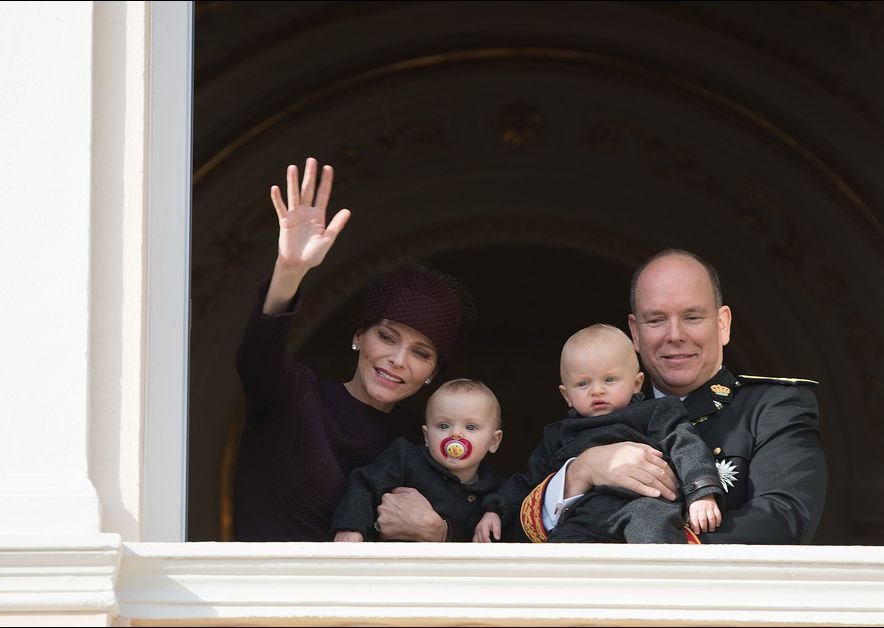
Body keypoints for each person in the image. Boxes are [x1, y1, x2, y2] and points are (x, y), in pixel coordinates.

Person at [234, 156, 476, 542]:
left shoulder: (428, 441)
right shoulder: (296, 397)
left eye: (421, 352)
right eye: (387, 337)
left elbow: (474, 528)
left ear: (433, 371)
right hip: (276, 600)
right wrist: (289, 270)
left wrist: (439, 532)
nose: (398, 360)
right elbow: (257, 359)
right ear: (359, 336)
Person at [519, 249, 827, 544]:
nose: (675, 335)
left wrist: (653, 543)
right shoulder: (589, 413)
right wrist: (580, 473)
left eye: (692, 317)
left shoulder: (773, 407)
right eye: (656, 320)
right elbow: (500, 531)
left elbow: (785, 520)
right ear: (635, 333)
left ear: (723, 324)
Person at [474, 324, 721, 544]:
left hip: (643, 505)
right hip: (583, 516)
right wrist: (495, 510)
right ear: (566, 395)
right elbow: (528, 482)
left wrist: (702, 493)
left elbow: (686, 447)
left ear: (636, 383)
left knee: (653, 526)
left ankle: (664, 591)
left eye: (610, 379)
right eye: (583, 384)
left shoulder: (655, 413)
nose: (597, 390)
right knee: (558, 551)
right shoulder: (559, 434)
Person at [332, 378, 504, 542]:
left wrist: (492, 513)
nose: (455, 434)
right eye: (443, 425)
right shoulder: (405, 458)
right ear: (427, 436)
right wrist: (351, 527)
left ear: (493, 441)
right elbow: (365, 485)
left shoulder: (496, 493)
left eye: (471, 427)